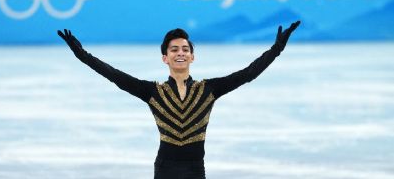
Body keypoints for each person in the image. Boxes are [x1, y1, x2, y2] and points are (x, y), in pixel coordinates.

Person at [58, 20, 300, 179]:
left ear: (192, 56)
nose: (180, 53)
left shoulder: (209, 89)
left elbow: (248, 73)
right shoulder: (153, 92)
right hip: (165, 170)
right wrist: (82, 54)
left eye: (185, 49)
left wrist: (276, 49)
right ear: (165, 58)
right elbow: (114, 75)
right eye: (174, 50)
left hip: (196, 169)